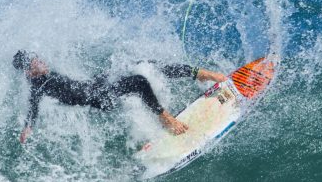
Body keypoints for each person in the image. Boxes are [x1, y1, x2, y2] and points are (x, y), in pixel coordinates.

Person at [12, 50, 227, 144]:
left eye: (36, 57)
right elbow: (33, 104)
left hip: (95, 85)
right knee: (139, 82)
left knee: (142, 64)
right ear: (28, 73)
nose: (40, 61)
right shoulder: (38, 85)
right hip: (98, 97)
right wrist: (28, 127)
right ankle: (165, 118)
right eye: (34, 63)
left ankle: (199, 73)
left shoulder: (45, 74)